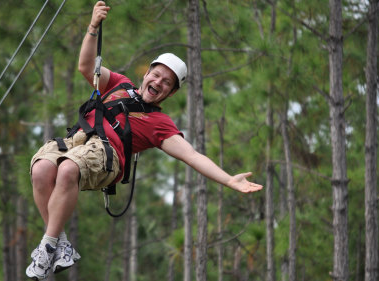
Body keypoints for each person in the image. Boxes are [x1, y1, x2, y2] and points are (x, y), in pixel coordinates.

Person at [25, 1, 263, 280]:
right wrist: (93, 27)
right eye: (157, 74)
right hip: (77, 141)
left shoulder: (159, 124)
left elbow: (192, 156)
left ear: (170, 93)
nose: (159, 82)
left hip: (106, 156)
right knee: (41, 168)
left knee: (67, 169)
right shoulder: (119, 84)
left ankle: (48, 246)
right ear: (146, 74)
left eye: (167, 82)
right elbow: (86, 66)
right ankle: (60, 243)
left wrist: (228, 179)